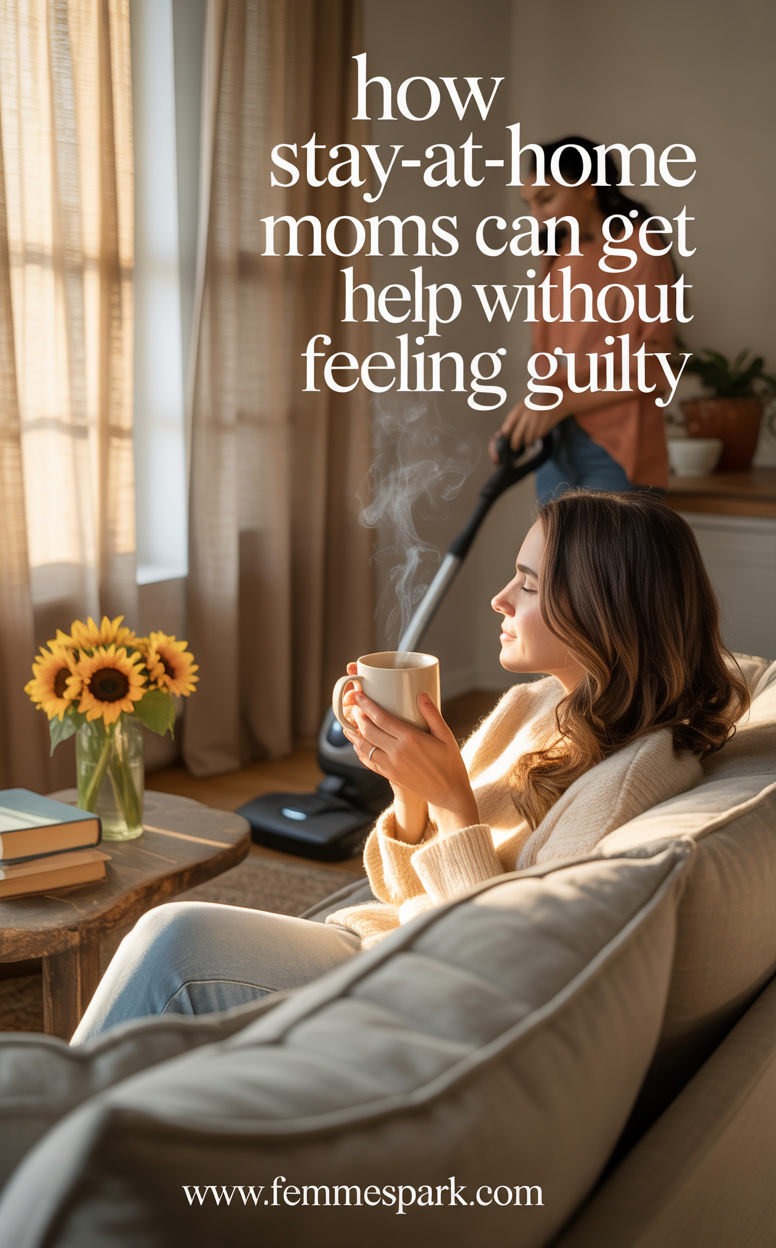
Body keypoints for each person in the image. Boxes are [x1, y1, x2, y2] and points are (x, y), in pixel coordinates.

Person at [71, 492, 748, 1044]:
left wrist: (454, 802)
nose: (500, 600)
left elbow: (506, 973)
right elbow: (398, 893)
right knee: (172, 936)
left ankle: (45, 1134)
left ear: (604, 609)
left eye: (529, 585)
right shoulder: (537, 705)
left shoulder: (628, 780)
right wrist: (407, 788)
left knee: (173, 941)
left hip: (417, 986)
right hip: (388, 943)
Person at [489, 136, 679, 502]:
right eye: (529, 204)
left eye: (546, 199)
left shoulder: (640, 249)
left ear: (588, 188)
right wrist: (523, 419)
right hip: (555, 446)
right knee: (554, 560)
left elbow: (654, 371)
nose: (536, 216)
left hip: (617, 452)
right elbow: (554, 368)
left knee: (609, 561)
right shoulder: (557, 259)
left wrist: (561, 403)